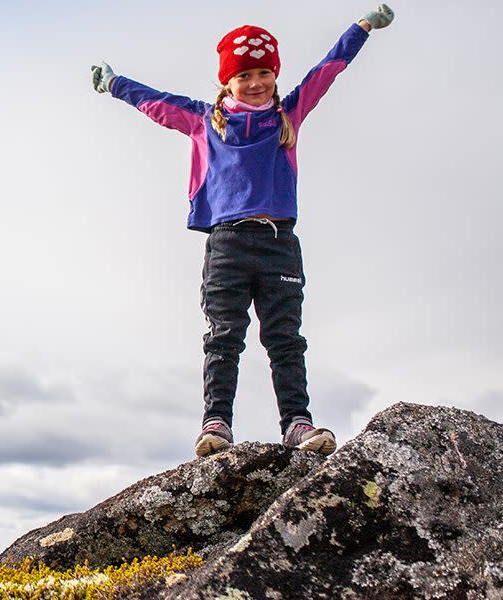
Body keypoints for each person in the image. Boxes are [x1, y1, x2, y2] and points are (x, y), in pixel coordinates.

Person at [90, 6, 395, 457]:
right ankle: (216, 425)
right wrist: (115, 84)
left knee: (285, 338)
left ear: (274, 74)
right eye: (244, 75)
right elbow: (153, 102)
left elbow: (328, 69)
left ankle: (297, 424)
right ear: (227, 82)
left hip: (279, 244)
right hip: (227, 245)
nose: (255, 83)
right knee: (223, 336)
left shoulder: (288, 113)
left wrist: (363, 27)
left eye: (264, 73)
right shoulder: (202, 121)